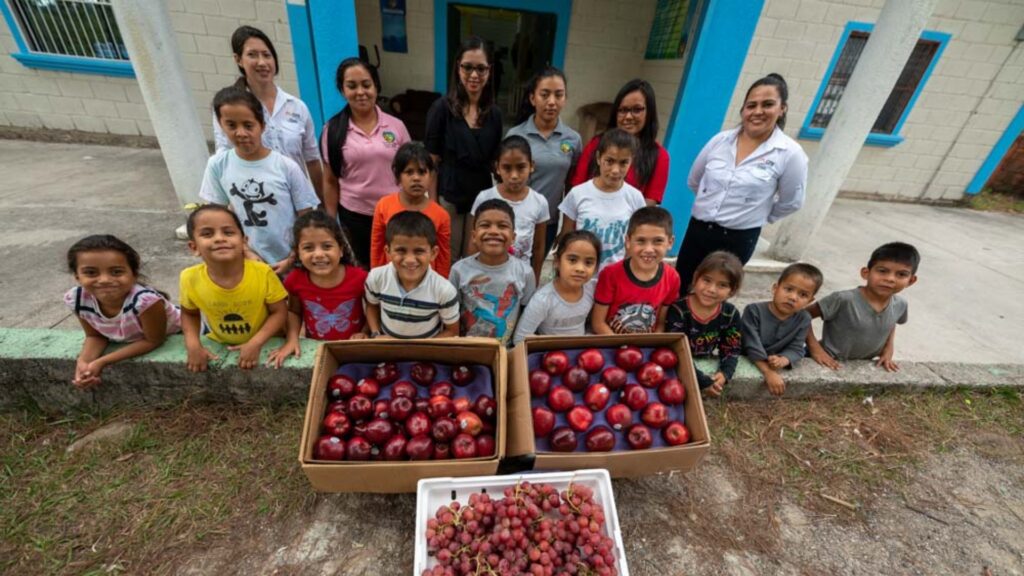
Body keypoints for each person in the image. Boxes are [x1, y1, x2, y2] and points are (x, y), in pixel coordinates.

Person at [676, 73, 808, 291]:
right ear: (743, 109)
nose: (757, 112)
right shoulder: (720, 141)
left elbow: (791, 201)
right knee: (682, 287)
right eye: (751, 105)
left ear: (782, 108)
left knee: (714, 294)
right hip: (698, 231)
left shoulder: (790, 153)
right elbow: (694, 181)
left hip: (738, 240)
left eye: (767, 104)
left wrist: (757, 214)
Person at [200, 86, 319, 275]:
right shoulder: (218, 165)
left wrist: (292, 257)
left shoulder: (286, 167)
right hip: (245, 261)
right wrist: (246, 251)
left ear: (262, 125)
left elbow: (305, 217)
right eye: (231, 125)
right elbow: (217, 217)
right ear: (221, 126)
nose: (241, 133)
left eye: (248, 125)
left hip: (291, 261)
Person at [216, 25, 323, 201]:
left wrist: (322, 205)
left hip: (299, 202)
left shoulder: (297, 107)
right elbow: (224, 158)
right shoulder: (230, 109)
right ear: (238, 59)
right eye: (252, 55)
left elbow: (312, 160)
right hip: (257, 201)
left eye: (267, 55)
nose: (262, 62)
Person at [321, 57, 411, 267]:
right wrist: (331, 222)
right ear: (343, 90)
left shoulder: (396, 126)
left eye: (366, 85)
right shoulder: (332, 131)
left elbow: (411, 169)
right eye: (352, 86)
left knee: (397, 265)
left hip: (395, 214)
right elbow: (330, 181)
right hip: (355, 217)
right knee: (365, 269)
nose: (360, 92)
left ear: (376, 87)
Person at [179, 205, 289, 372]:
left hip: (268, 341)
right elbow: (189, 313)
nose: (219, 238)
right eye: (207, 234)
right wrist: (193, 345)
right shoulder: (189, 278)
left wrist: (256, 343)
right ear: (194, 247)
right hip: (220, 342)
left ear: (244, 242)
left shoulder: (263, 272)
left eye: (228, 232)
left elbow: (280, 312)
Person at [64, 235, 181, 389]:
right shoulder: (77, 299)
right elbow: (95, 335)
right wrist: (84, 363)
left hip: (183, 334)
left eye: (116, 272)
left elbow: (153, 340)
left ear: (134, 274)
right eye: (91, 273)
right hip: (137, 339)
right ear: (77, 276)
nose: (104, 279)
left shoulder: (146, 301)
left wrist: (102, 361)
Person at [424, 36, 503, 262]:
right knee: (446, 256)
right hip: (449, 196)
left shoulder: (494, 114)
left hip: (480, 196)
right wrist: (433, 204)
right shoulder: (442, 109)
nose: (474, 75)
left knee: (473, 258)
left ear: (490, 71)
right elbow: (431, 161)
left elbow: (494, 160)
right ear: (458, 67)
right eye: (468, 67)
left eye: (481, 68)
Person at [268, 212, 369, 368]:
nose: (319, 254)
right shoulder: (295, 280)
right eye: (308, 248)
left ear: (341, 249)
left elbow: (373, 308)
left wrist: (365, 332)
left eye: (327, 246)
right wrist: (292, 339)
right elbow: (294, 311)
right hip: (317, 349)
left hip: (353, 349)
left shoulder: (360, 278)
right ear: (298, 253)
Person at [806, 242, 919, 372]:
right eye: (882, 271)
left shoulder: (900, 305)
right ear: (866, 273)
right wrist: (815, 349)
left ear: (911, 280)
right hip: (824, 361)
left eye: (901, 274)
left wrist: (888, 349)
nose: (890, 279)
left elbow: (891, 323)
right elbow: (802, 316)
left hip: (859, 367)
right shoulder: (844, 299)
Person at [506, 67, 582, 254]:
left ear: (565, 99)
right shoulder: (516, 135)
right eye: (545, 95)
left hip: (548, 222)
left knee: (535, 271)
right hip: (515, 218)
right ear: (533, 98)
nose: (551, 102)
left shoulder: (573, 139)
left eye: (558, 95)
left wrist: (566, 228)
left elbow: (571, 187)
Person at [450, 199, 536, 345]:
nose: (494, 231)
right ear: (474, 236)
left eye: (502, 226)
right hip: (466, 349)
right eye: (485, 225)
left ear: (513, 237)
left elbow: (527, 315)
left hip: (506, 352)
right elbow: (451, 313)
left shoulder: (525, 273)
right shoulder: (458, 270)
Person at [570, 79, 669, 206]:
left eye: (637, 109)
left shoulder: (659, 156)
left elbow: (650, 201)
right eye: (622, 110)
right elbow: (578, 186)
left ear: (649, 112)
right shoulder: (597, 144)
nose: (628, 116)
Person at [558, 128, 646, 270]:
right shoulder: (578, 194)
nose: (615, 170)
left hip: (614, 277)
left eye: (623, 163)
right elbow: (566, 237)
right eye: (609, 161)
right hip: (581, 275)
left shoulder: (635, 198)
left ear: (631, 162)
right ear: (599, 158)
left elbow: (636, 241)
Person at [365, 211, 459, 339]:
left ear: (433, 253)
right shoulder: (376, 278)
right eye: (400, 250)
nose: (410, 259)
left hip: (425, 355)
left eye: (419, 251)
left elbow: (452, 331)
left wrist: (418, 351)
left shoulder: (444, 290)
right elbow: (372, 306)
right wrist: (376, 334)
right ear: (388, 252)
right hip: (386, 350)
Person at [469, 136, 549, 281]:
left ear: (531, 166)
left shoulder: (539, 202)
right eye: (507, 168)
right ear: (497, 168)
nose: (514, 176)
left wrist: (535, 279)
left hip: (519, 278)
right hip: (485, 275)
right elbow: (473, 242)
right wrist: (470, 275)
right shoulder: (484, 197)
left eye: (521, 167)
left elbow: (538, 247)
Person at [665, 251, 744, 397]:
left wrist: (725, 373)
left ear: (731, 291)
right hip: (681, 363)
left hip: (703, 360)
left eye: (722, 285)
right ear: (696, 278)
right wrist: (702, 382)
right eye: (706, 280)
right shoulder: (679, 310)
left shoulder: (730, 314)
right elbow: (676, 349)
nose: (711, 289)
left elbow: (732, 348)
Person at [591, 206, 680, 335]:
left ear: (670, 242)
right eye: (641, 241)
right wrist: (622, 348)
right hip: (610, 343)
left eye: (658, 241)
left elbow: (661, 324)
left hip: (646, 346)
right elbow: (598, 323)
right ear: (628, 241)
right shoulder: (610, 274)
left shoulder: (672, 278)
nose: (649, 249)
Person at [369, 143, 452, 277]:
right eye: (409, 172)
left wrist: (441, 283)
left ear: (431, 176)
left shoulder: (441, 215)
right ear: (398, 176)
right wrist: (377, 278)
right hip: (391, 278)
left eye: (422, 172)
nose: (416, 178)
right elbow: (377, 247)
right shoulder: (384, 206)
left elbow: (443, 256)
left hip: (426, 281)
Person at [741, 263, 822, 396]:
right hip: (745, 358)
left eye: (803, 295)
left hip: (773, 361)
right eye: (788, 289)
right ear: (775, 288)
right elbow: (751, 345)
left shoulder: (804, 319)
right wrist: (768, 372)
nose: (793, 297)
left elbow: (797, 348)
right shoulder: (754, 311)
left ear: (810, 300)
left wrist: (784, 359)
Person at [512, 230, 600, 345]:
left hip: (581, 354)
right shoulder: (543, 300)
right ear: (557, 261)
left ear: (596, 266)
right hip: (551, 357)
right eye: (572, 260)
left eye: (588, 262)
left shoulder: (593, 289)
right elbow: (519, 339)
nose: (580, 268)